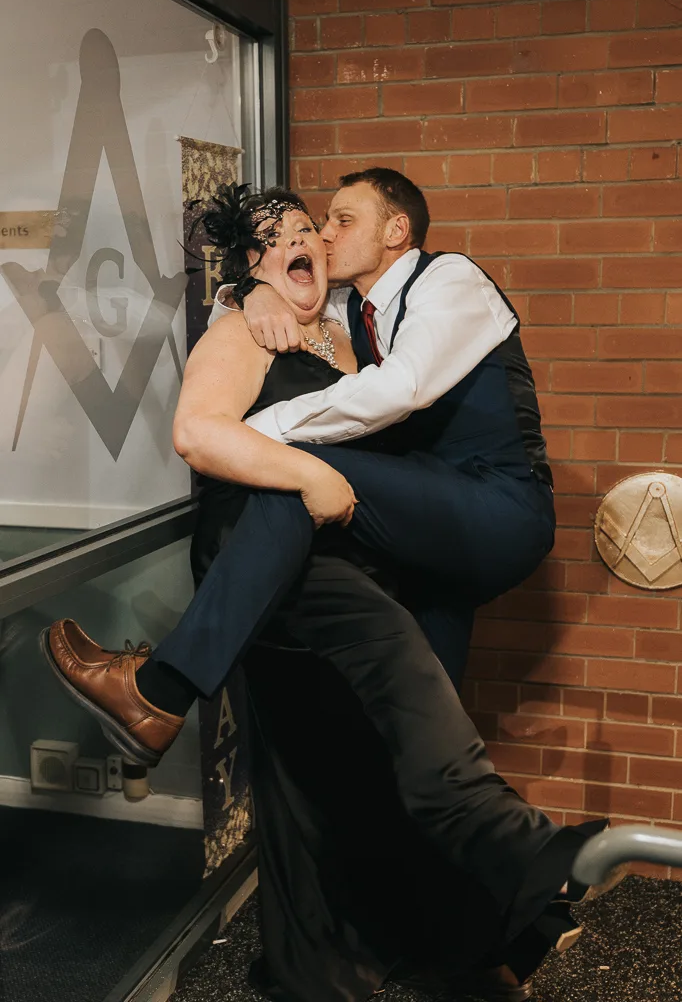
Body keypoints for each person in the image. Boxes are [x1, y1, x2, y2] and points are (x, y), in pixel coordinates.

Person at [42, 178, 618, 1000]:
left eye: (312, 227)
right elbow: (199, 434)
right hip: (283, 570)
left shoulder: (365, 324)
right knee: (384, 734)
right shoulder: (248, 327)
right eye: (272, 241)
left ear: (390, 233)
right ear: (250, 263)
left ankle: (402, 951)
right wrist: (250, 311)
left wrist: (286, 420)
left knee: (367, 761)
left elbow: (392, 401)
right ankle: (505, 886)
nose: (302, 243)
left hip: (364, 558)